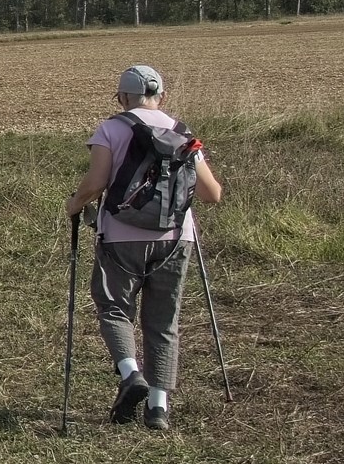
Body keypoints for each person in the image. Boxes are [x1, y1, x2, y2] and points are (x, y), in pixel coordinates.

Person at [63, 63, 224, 431]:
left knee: (114, 309)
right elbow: (212, 194)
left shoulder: (111, 128)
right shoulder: (183, 133)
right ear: (161, 97)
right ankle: (158, 408)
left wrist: (75, 204)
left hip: (119, 237)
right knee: (163, 322)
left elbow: (96, 182)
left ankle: (129, 373)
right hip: (174, 240)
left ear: (122, 97)